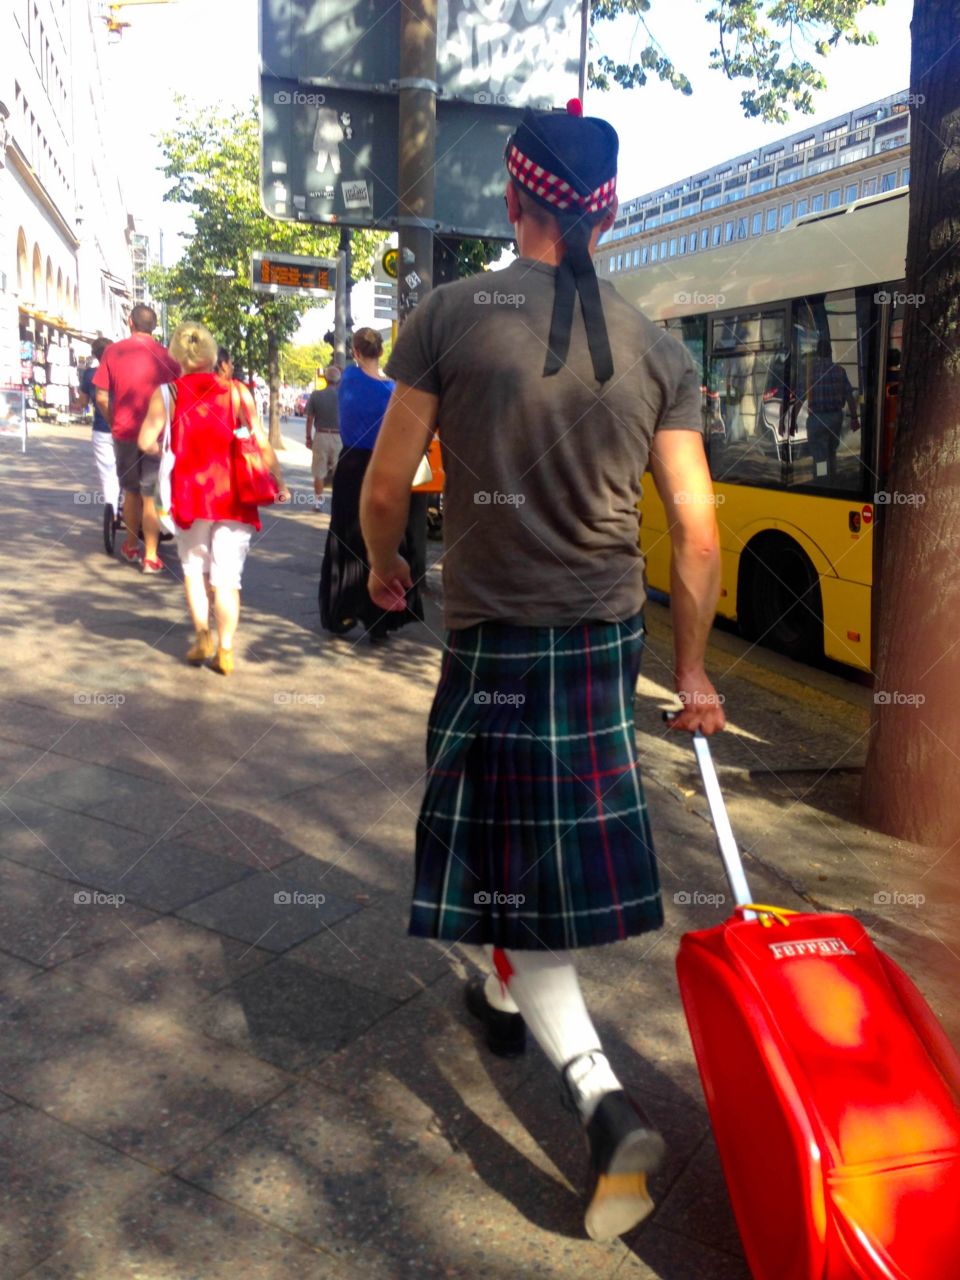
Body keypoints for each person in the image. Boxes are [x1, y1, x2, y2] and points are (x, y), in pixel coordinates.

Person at [360, 101, 725, 1242]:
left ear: (514, 199)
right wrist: (697, 673)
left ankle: (605, 1106)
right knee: (528, 850)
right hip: (605, 642)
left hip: (499, 642)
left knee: (503, 869)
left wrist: (384, 571)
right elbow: (698, 533)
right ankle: (505, 982)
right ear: (604, 209)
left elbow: (385, 487)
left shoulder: (449, 317)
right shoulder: (660, 346)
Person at [138, 322, 289, 674]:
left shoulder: (167, 394)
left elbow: (146, 441)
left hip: (189, 498)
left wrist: (170, 452)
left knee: (193, 571)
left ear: (177, 355)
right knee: (227, 580)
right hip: (234, 497)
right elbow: (261, 442)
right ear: (211, 353)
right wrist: (279, 482)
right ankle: (225, 649)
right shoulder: (238, 392)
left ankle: (203, 634)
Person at [320, 329, 422, 643]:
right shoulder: (393, 390)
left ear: (355, 351)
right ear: (381, 351)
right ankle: (383, 617)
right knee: (386, 534)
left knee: (346, 534)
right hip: (385, 466)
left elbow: (334, 370)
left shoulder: (348, 378)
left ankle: (342, 610)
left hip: (352, 467)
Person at [93, 304, 181, 573]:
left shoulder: (113, 351)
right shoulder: (169, 357)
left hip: (126, 433)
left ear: (130, 322)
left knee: (131, 492)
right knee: (151, 494)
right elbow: (179, 398)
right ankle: (151, 556)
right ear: (153, 326)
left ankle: (131, 545)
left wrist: (114, 421)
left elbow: (101, 397)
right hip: (157, 436)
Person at [798, 336, 860, 482]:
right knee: (831, 450)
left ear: (818, 353)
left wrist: (789, 421)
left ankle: (822, 480)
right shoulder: (839, 371)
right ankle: (831, 478)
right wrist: (854, 418)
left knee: (820, 456)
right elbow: (849, 396)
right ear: (830, 352)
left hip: (816, 419)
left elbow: (800, 397)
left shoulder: (810, 373)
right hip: (835, 419)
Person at [78, 337, 119, 513]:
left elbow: (82, 402)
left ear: (95, 354)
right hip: (126, 428)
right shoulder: (122, 372)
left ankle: (113, 509)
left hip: (102, 429)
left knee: (107, 474)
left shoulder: (89, 374)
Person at [305, 364, 342, 510]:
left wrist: (308, 437)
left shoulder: (315, 395)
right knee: (339, 472)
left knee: (319, 471)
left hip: (321, 435)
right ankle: (338, 503)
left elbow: (309, 418)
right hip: (338, 437)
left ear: (325, 379)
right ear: (338, 381)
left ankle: (318, 502)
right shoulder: (343, 397)